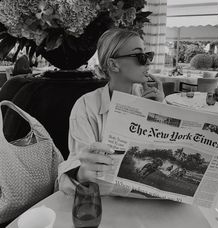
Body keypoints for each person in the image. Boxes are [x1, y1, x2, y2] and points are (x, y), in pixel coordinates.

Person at [58, 28, 165, 196]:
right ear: (114, 64)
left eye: (148, 55)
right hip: (103, 200)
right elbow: (77, 163)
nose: (148, 62)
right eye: (140, 56)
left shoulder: (149, 98)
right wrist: (82, 172)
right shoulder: (86, 106)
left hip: (150, 200)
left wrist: (160, 110)